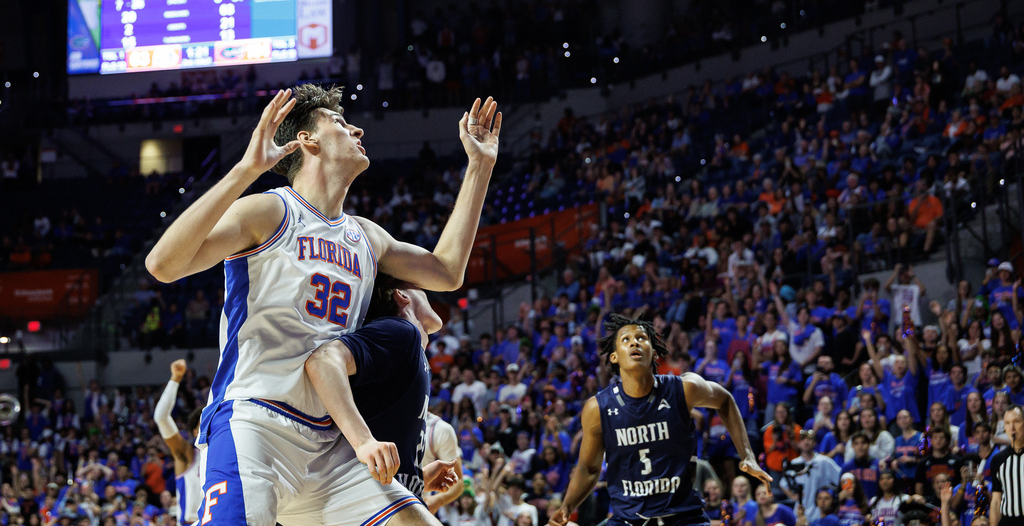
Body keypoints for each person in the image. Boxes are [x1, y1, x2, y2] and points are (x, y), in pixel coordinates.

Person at [145, 87, 501, 526]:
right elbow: (162, 265)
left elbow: (447, 271)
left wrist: (480, 166)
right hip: (257, 423)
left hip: (331, 444)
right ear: (309, 140)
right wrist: (245, 170)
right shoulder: (268, 211)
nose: (356, 128)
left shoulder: (367, 237)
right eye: (339, 121)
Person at [549, 313, 771, 526]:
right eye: (626, 339)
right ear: (614, 355)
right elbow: (588, 468)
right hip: (628, 519)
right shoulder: (598, 407)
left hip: (683, 517)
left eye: (641, 338)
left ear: (654, 353)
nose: (634, 343)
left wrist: (748, 455)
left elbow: (725, 400)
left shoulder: (684, 388)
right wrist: (567, 507)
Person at [303, 274, 458, 497]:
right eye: (419, 287)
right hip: (364, 500)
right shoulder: (402, 332)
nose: (427, 291)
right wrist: (363, 442)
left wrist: (416, 478)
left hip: (379, 496)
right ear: (402, 296)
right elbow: (323, 360)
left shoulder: (408, 349)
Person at [153, 360, 203, 526]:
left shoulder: (227, 456)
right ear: (195, 432)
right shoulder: (189, 454)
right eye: (205, 423)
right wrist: (175, 379)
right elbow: (161, 417)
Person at [989, 405, 1024, 526]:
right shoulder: (998, 460)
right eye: (1007, 423)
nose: (1012, 428)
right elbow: (996, 501)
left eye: (1016, 422)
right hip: (1008, 521)